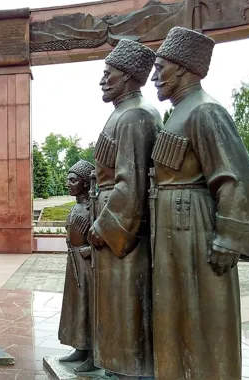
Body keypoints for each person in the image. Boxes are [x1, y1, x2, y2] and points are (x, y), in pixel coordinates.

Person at [150, 26, 249, 380]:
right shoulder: (180, 112)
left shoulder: (206, 111)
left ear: (182, 68)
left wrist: (229, 236)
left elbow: (236, 177)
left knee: (202, 312)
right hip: (173, 229)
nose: (154, 76)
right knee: (177, 311)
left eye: (160, 66)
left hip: (193, 228)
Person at [87, 39, 160, 379]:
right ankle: (117, 365)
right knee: (115, 303)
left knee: (126, 300)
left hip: (124, 233)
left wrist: (104, 227)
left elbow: (131, 184)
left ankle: (129, 368)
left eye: (109, 73)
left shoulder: (134, 115)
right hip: (112, 222)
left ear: (130, 76)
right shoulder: (122, 112)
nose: (103, 80)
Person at [57, 160, 97, 373]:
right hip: (73, 262)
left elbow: (102, 235)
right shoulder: (77, 206)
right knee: (76, 305)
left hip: (87, 264)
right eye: (68, 179)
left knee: (89, 306)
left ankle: (93, 354)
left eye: (73, 180)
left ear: (86, 183)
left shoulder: (95, 205)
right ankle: (80, 347)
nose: (68, 184)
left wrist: (90, 250)